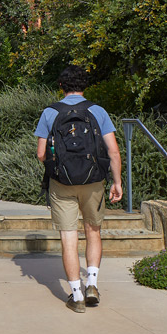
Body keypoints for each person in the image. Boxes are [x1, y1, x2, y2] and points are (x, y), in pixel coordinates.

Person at [34, 65, 123, 313]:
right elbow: (113, 151)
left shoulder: (50, 112)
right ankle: (92, 283)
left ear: (61, 86)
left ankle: (76, 295)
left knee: (68, 238)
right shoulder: (97, 111)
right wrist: (117, 182)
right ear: (85, 86)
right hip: (93, 182)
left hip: (62, 183)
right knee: (93, 231)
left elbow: (41, 154)